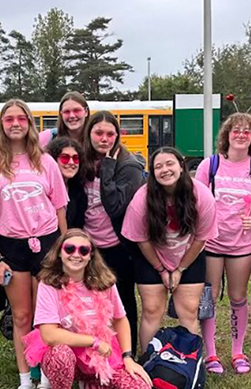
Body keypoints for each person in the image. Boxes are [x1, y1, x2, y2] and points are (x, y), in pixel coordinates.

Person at [0, 99, 69, 389]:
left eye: (21, 118)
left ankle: (48, 382)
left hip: (48, 243)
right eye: (9, 118)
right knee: (22, 316)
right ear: (1, 125)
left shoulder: (46, 162)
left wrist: (65, 250)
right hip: (10, 246)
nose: (15, 123)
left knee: (47, 318)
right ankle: (26, 381)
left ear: (29, 123)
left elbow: (59, 208)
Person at [23, 230, 152, 389]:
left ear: (91, 255)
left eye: (83, 250)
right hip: (68, 353)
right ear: (59, 253)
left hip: (99, 356)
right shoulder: (49, 285)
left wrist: (128, 357)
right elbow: (49, 334)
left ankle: (91, 387)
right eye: (70, 248)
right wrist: (92, 341)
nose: (77, 254)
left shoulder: (104, 283)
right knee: (60, 354)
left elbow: (120, 319)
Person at [194, 112, 251, 375]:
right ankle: (211, 353)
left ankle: (238, 351)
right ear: (226, 135)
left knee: (238, 297)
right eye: (235, 130)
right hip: (213, 243)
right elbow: (196, 201)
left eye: (246, 132)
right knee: (210, 298)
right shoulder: (210, 165)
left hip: (242, 245)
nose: (240, 135)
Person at [121, 147, 218, 349]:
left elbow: (201, 238)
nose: (165, 170)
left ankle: (188, 362)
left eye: (170, 163)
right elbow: (141, 240)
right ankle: (148, 362)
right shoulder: (142, 199)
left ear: (181, 166)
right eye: (158, 166)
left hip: (190, 254)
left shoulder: (201, 195)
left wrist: (180, 268)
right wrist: (162, 270)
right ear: (152, 173)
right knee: (152, 310)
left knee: (189, 310)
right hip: (152, 256)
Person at [72, 111, 145, 354]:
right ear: (89, 133)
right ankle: (95, 351)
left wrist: (109, 165)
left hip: (118, 247)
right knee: (91, 302)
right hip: (89, 246)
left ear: (118, 136)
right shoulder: (81, 161)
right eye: (98, 133)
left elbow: (114, 206)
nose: (104, 139)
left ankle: (127, 353)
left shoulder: (129, 166)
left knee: (121, 303)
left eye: (110, 134)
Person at [46, 137, 86, 235]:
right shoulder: (44, 190)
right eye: (65, 158)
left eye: (76, 158)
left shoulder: (78, 190)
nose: (71, 162)